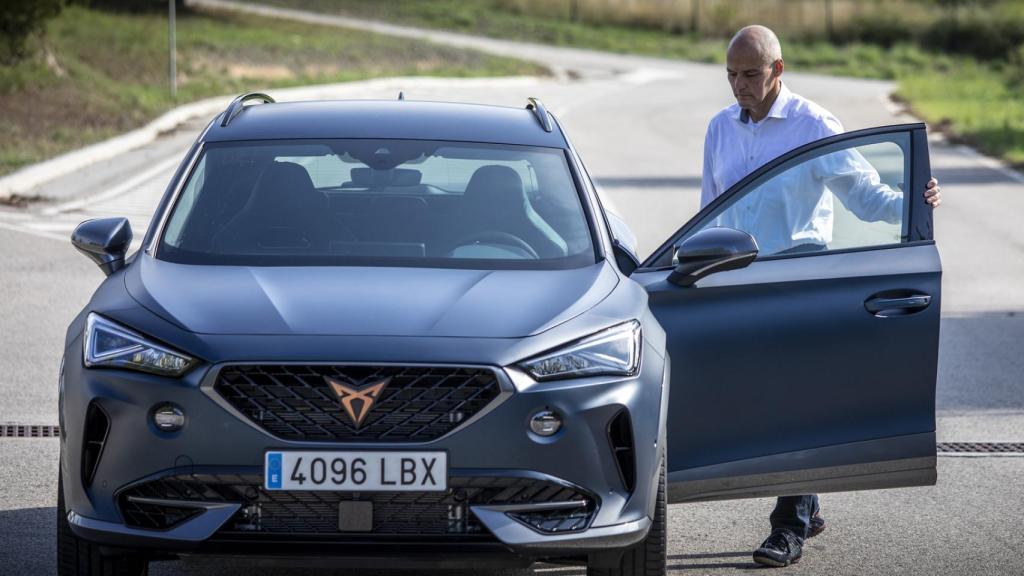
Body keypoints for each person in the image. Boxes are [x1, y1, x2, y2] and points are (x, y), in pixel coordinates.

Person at [699, 25, 942, 567]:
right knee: (756, 403)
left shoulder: (813, 125)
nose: (739, 85)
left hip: (797, 278)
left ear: (778, 70)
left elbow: (866, 196)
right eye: (731, 75)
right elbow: (709, 210)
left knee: (793, 402)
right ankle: (806, 501)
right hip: (739, 282)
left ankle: (787, 526)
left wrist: (916, 200)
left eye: (750, 74)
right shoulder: (720, 127)